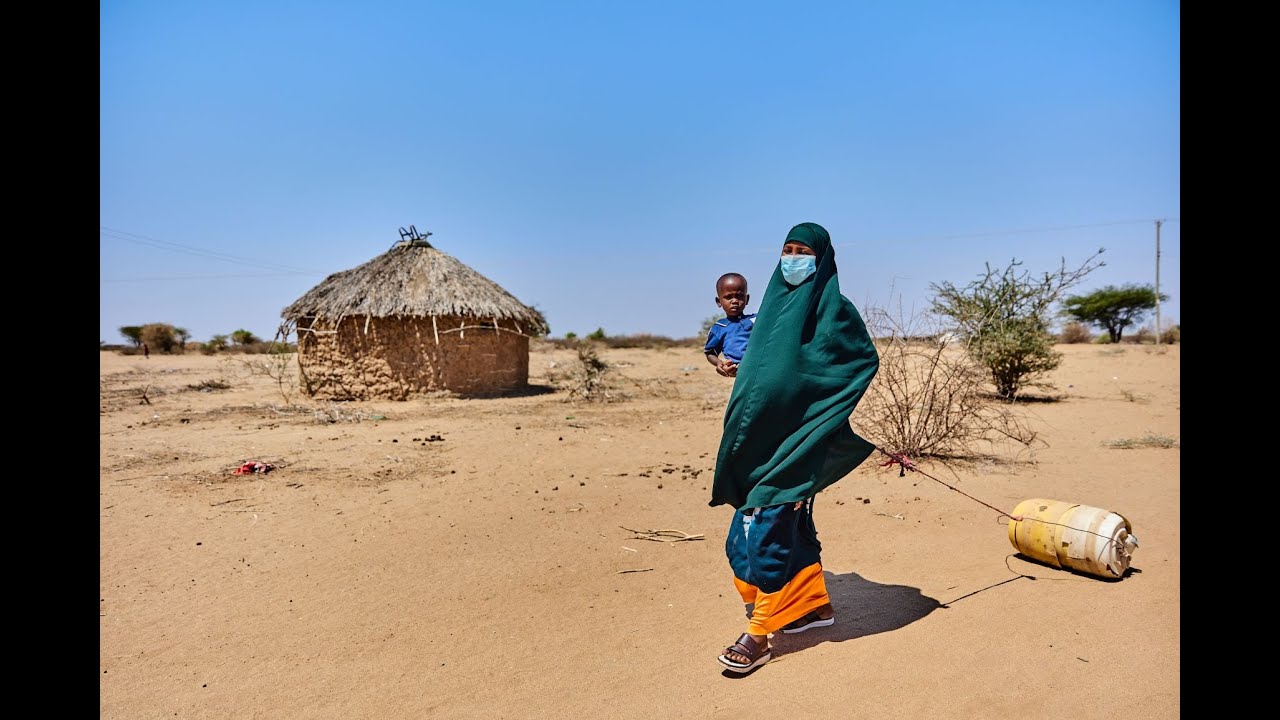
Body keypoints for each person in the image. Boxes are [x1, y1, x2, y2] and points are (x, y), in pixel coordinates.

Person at [710, 222, 880, 674]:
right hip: (756, 442)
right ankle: (814, 608)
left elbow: (861, 361)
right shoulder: (770, 307)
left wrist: (820, 417)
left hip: (798, 443)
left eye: (802, 250)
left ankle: (761, 634)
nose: (792, 257)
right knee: (777, 525)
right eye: (786, 249)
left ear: (821, 258)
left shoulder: (835, 310)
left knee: (761, 529)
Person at [703, 273, 755, 378]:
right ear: (719, 302)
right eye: (728, 297)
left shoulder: (757, 319)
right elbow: (710, 352)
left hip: (762, 369)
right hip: (740, 374)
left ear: (747, 299)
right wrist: (719, 364)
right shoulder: (719, 328)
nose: (735, 301)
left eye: (739, 296)